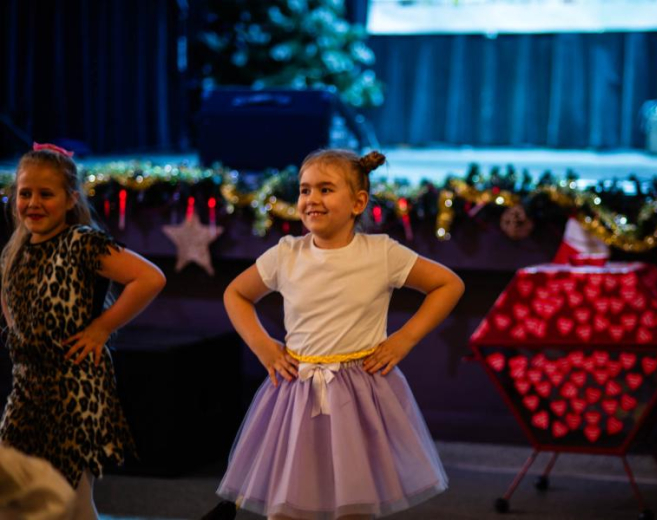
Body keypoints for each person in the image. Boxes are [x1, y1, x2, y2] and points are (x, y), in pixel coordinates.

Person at [204, 149, 464, 520]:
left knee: (353, 502)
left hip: (359, 395)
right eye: (304, 190)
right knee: (288, 502)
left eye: (325, 189)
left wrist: (404, 339)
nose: (311, 199)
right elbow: (237, 294)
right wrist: (264, 346)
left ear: (358, 202)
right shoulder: (286, 254)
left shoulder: (381, 253)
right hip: (296, 393)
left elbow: (447, 285)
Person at [0, 143, 166, 519]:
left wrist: (101, 328)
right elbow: (9, 297)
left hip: (74, 390)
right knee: (14, 494)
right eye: (25, 194)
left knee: (67, 500)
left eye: (46, 194)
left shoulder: (82, 242)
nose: (33, 203)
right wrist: (19, 332)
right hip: (27, 388)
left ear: (70, 198)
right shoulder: (16, 249)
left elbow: (149, 278)